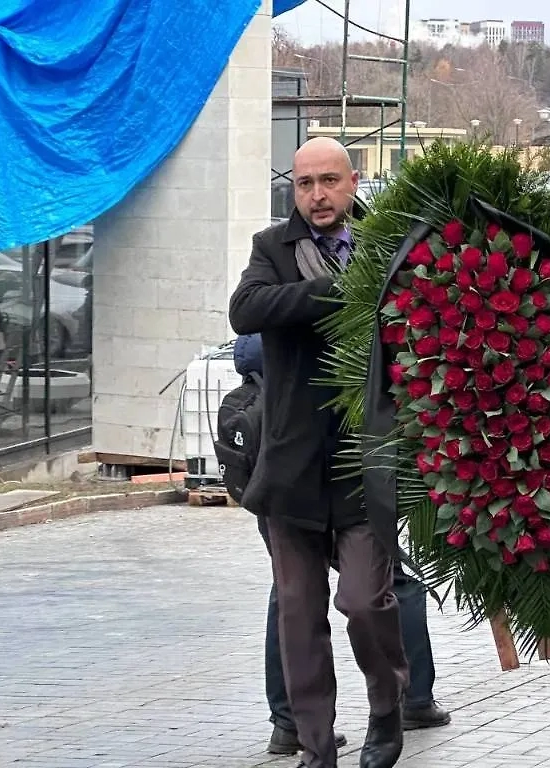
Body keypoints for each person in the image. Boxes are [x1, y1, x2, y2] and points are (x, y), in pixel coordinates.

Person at [229, 136, 408, 768]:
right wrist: (342, 294)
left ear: (353, 181)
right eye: (305, 184)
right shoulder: (271, 248)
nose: (317, 195)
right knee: (299, 615)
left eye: (329, 180)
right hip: (290, 465)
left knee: (364, 601)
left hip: (364, 463)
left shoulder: (390, 246)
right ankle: (314, 745)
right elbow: (245, 310)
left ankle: (388, 708)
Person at [232, 334, 451, 756]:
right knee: (295, 605)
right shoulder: (282, 268)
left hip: (360, 474)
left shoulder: (376, 272)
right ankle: (305, 737)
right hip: (291, 475)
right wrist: (323, 303)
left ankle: (395, 703)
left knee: (369, 597)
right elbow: (248, 329)